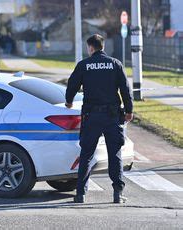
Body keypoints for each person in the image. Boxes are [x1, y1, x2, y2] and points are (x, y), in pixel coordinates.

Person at [65, 34, 133, 204]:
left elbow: (72, 84)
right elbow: (125, 89)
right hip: (112, 116)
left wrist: (69, 101)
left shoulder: (84, 65)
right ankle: (117, 194)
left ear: (91, 47)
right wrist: (129, 110)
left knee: (86, 154)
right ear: (103, 46)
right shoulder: (115, 64)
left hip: (91, 116)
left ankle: (80, 194)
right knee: (114, 154)